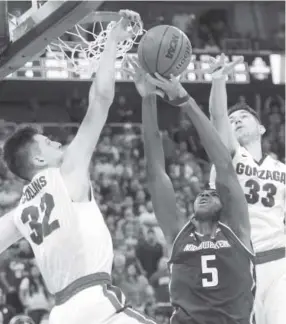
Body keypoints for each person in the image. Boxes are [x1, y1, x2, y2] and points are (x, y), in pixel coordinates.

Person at [0, 11, 155, 324]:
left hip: (61, 314)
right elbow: (101, 99)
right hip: (96, 301)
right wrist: (112, 40)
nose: (59, 143)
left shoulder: (20, 214)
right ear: (39, 160)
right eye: (49, 142)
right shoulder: (66, 170)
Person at [126, 57, 255, 324]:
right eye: (202, 193)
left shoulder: (237, 230)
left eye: (212, 193)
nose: (205, 193)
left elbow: (223, 165)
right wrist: (148, 99)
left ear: (225, 207)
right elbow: (155, 171)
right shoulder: (177, 235)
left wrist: (185, 98)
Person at [207, 54, 286, 324]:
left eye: (243, 116)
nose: (236, 120)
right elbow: (217, 117)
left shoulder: (281, 170)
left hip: (279, 262)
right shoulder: (231, 155)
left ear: (262, 128)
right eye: (233, 119)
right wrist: (218, 81)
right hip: (240, 265)